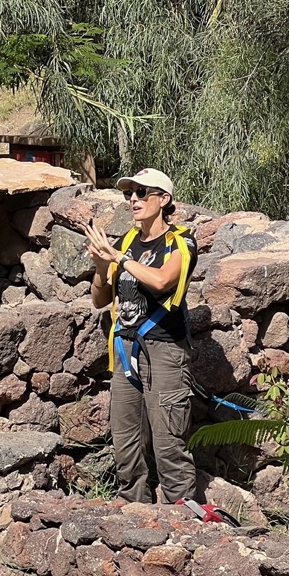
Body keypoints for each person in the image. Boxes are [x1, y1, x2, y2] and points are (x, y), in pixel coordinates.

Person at [82, 168, 199, 504]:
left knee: (168, 440)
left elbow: (163, 281)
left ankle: (183, 513)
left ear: (164, 199)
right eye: (129, 193)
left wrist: (118, 258)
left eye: (142, 192)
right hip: (124, 347)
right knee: (125, 437)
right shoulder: (128, 241)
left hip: (164, 349)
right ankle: (133, 511)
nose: (133, 199)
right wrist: (102, 268)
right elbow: (100, 299)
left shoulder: (181, 242)